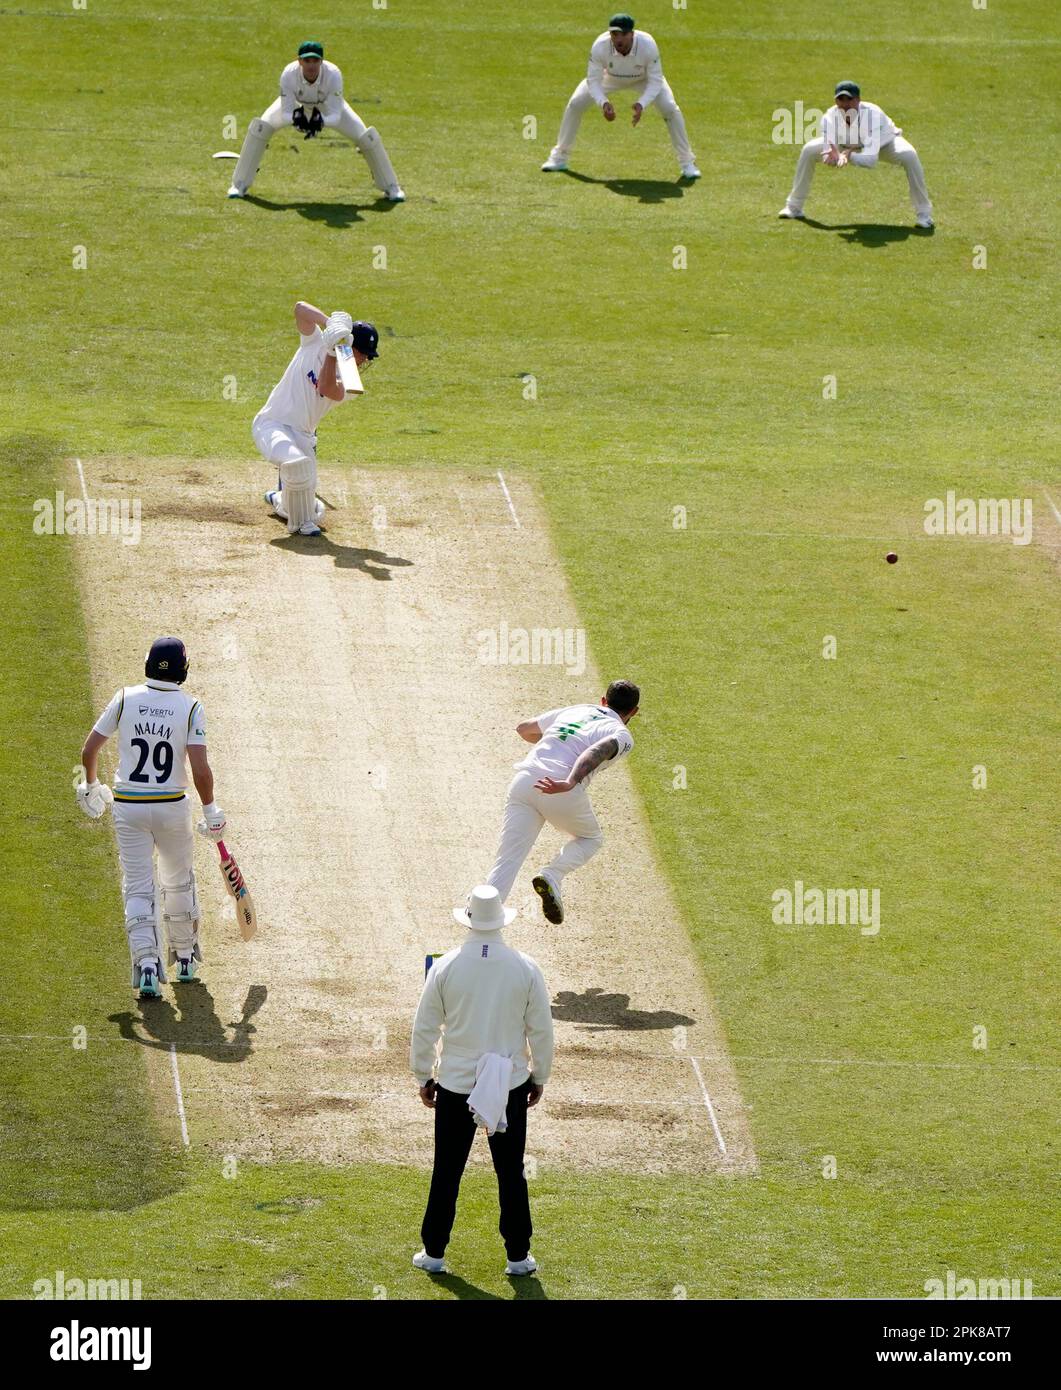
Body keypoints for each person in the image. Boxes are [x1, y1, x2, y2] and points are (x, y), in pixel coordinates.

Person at [410, 886, 554, 1277]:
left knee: (447, 1170)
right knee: (511, 1172)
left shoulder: (446, 966)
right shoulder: (525, 967)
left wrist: (424, 1075)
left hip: (456, 1085)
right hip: (508, 1084)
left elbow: (425, 1029)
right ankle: (518, 1257)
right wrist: (539, 1075)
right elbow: (540, 1030)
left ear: (470, 921)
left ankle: (434, 1252)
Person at [77, 638, 227, 999]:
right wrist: (211, 811)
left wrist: (91, 786)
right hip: (172, 806)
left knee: (139, 886)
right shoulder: (190, 707)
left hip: (128, 807)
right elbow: (200, 769)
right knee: (177, 880)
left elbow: (89, 750)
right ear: (182, 669)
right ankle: (187, 960)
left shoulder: (125, 698)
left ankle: (147, 967)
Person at [482, 679, 640, 925]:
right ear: (634, 712)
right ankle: (552, 875)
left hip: (525, 781)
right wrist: (569, 781)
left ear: (603, 700)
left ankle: (480, 922)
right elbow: (596, 752)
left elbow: (524, 729)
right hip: (561, 788)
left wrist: (555, 742)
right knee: (591, 839)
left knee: (507, 860)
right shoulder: (622, 734)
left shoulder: (577, 710)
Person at [254, 301, 378, 537]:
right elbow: (300, 309)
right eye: (364, 354)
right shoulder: (315, 341)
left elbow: (326, 387)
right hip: (272, 424)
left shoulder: (352, 380)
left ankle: (279, 498)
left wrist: (332, 352)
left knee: (308, 507)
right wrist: (329, 323)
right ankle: (298, 523)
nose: (365, 361)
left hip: (302, 435)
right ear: (351, 347)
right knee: (297, 464)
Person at [226, 39, 404, 202]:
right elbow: (286, 111)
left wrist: (319, 122)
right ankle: (239, 184)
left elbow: (335, 115)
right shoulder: (288, 74)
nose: (311, 65)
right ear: (299, 61)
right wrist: (297, 119)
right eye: (307, 61)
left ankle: (392, 187)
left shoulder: (333, 74)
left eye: (315, 61)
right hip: (297, 105)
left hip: (326, 107)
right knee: (261, 127)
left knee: (365, 136)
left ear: (321, 61)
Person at [541, 13, 699, 178]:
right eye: (614, 34)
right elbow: (593, 81)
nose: (618, 40)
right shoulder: (600, 45)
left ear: (632, 34)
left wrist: (641, 103)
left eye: (623, 34)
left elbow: (656, 81)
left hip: (643, 79)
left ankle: (687, 162)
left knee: (670, 109)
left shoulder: (648, 45)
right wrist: (603, 103)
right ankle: (559, 157)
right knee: (575, 104)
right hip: (610, 77)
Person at [778, 81, 934, 228]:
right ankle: (794, 207)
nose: (845, 105)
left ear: (858, 100)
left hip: (884, 144)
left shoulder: (873, 115)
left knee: (909, 155)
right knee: (809, 150)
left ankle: (924, 215)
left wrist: (848, 157)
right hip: (846, 144)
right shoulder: (829, 118)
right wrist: (833, 158)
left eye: (849, 99)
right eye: (841, 100)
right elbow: (830, 151)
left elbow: (871, 160)